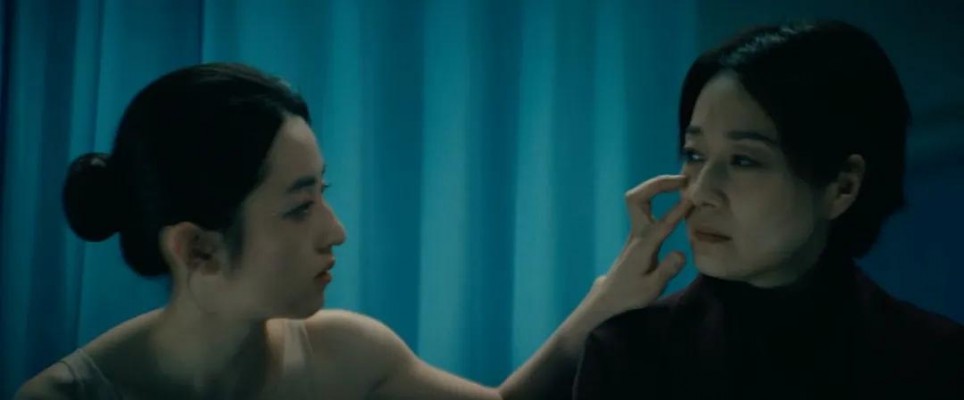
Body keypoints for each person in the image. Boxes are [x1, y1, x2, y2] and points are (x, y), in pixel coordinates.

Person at [16, 62, 690, 399]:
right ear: (197, 247)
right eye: (298, 207)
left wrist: (609, 297)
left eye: (324, 194)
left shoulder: (347, 356)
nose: (336, 232)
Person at [573, 20, 964, 399]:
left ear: (842, 187)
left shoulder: (935, 362)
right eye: (694, 154)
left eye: (743, 160)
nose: (700, 191)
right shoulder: (628, 357)